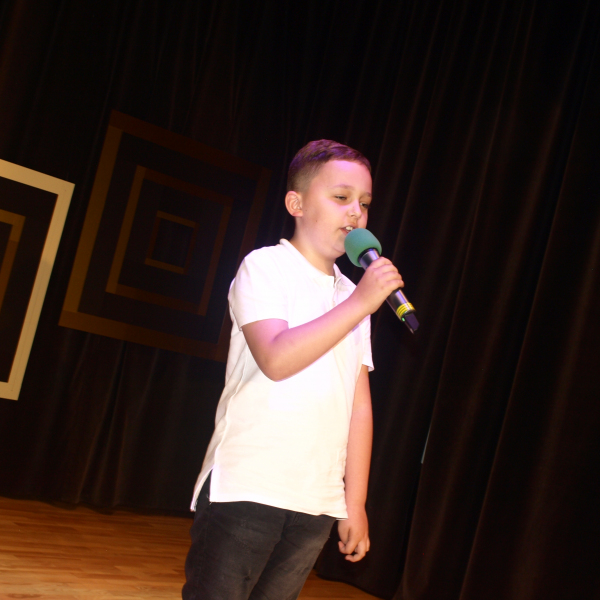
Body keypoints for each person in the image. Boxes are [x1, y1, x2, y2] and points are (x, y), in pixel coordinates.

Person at [182, 139, 404, 600]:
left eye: (364, 203)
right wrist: (361, 303)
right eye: (341, 197)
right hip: (249, 485)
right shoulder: (266, 267)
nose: (355, 212)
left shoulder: (352, 296)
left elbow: (359, 406)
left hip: (316, 498)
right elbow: (277, 359)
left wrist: (354, 502)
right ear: (296, 204)